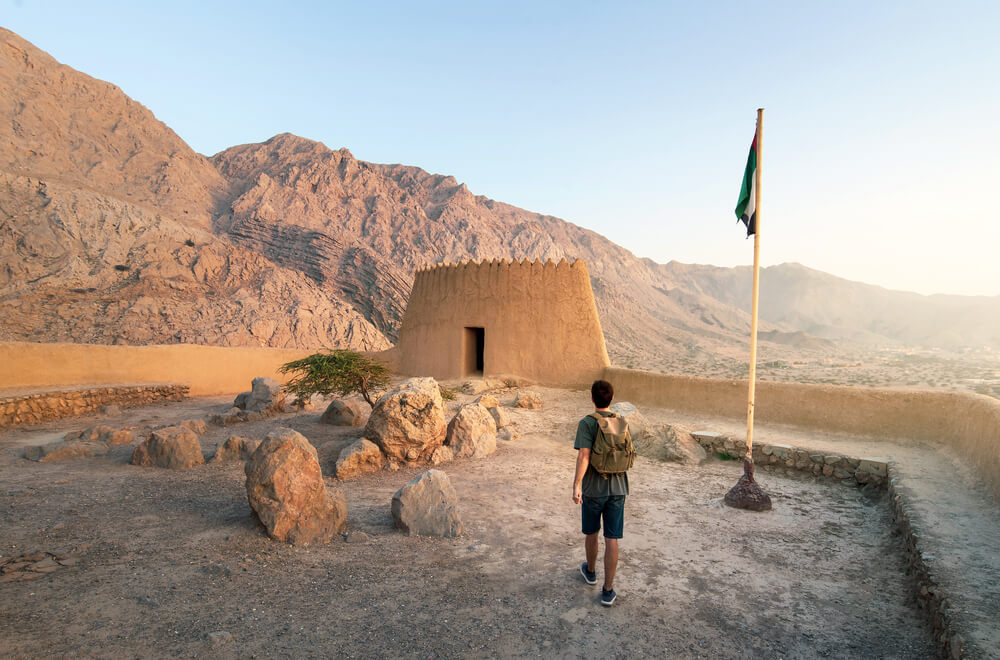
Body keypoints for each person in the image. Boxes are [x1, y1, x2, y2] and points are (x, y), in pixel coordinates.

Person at [572, 379, 628, 606]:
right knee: (612, 537)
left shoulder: (587, 423)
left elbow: (584, 456)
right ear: (612, 399)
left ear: (592, 398)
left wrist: (576, 484)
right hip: (618, 488)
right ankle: (608, 590)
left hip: (594, 489)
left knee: (592, 532)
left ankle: (591, 572)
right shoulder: (622, 422)